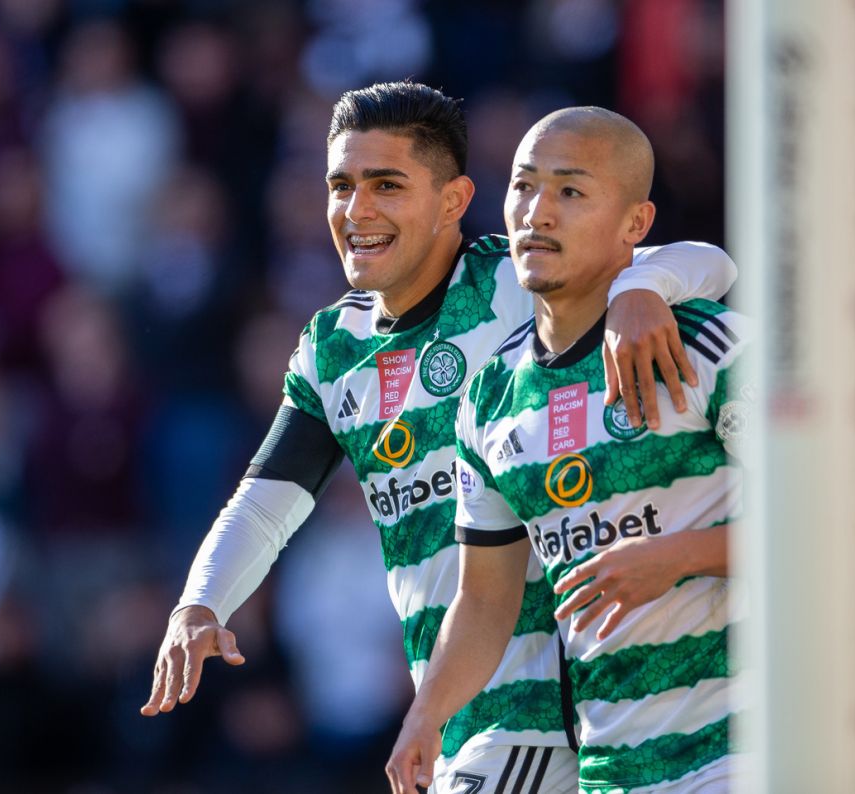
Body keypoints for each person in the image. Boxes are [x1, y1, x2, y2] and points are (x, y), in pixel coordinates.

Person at [141, 82, 738, 793]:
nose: (357, 210)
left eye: (386, 185)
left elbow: (706, 261)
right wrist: (201, 603)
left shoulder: (520, 279)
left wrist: (642, 288)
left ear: (453, 201)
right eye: (341, 186)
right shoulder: (334, 348)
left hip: (546, 702)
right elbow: (267, 502)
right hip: (460, 697)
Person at [386, 106, 747, 794]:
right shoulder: (490, 398)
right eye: (523, 186)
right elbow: (484, 600)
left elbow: (833, 520)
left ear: (636, 224)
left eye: (571, 191)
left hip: (745, 750)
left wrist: (679, 556)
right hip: (611, 769)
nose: (537, 212)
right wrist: (426, 715)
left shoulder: (705, 344)